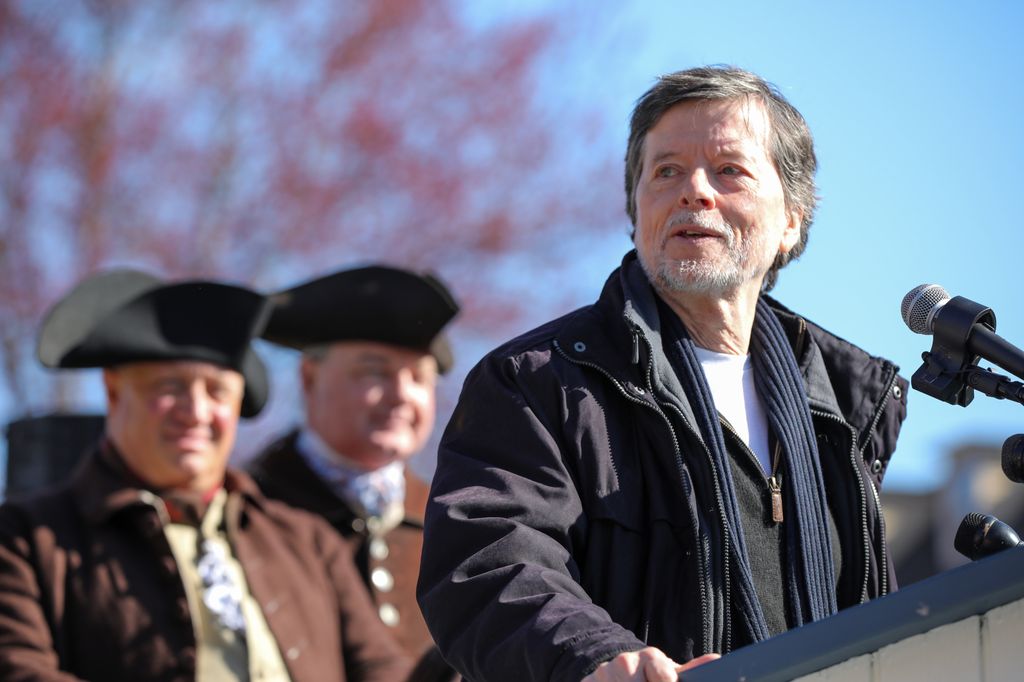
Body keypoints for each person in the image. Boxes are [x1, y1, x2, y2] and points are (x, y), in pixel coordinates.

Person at [417, 66, 909, 682]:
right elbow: (490, 563)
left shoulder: (843, 410)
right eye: (666, 171)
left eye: (729, 170)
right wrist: (594, 657)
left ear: (792, 220)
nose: (693, 191)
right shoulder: (537, 384)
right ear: (636, 213)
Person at [0, 269, 411, 681]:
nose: (195, 412)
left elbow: (383, 672)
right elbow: (20, 671)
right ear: (114, 391)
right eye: (169, 387)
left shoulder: (307, 542)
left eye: (217, 391)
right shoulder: (25, 540)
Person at [248, 265, 459, 663]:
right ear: (310, 379)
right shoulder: (251, 510)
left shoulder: (451, 519)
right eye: (375, 372)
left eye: (418, 378)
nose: (401, 395)